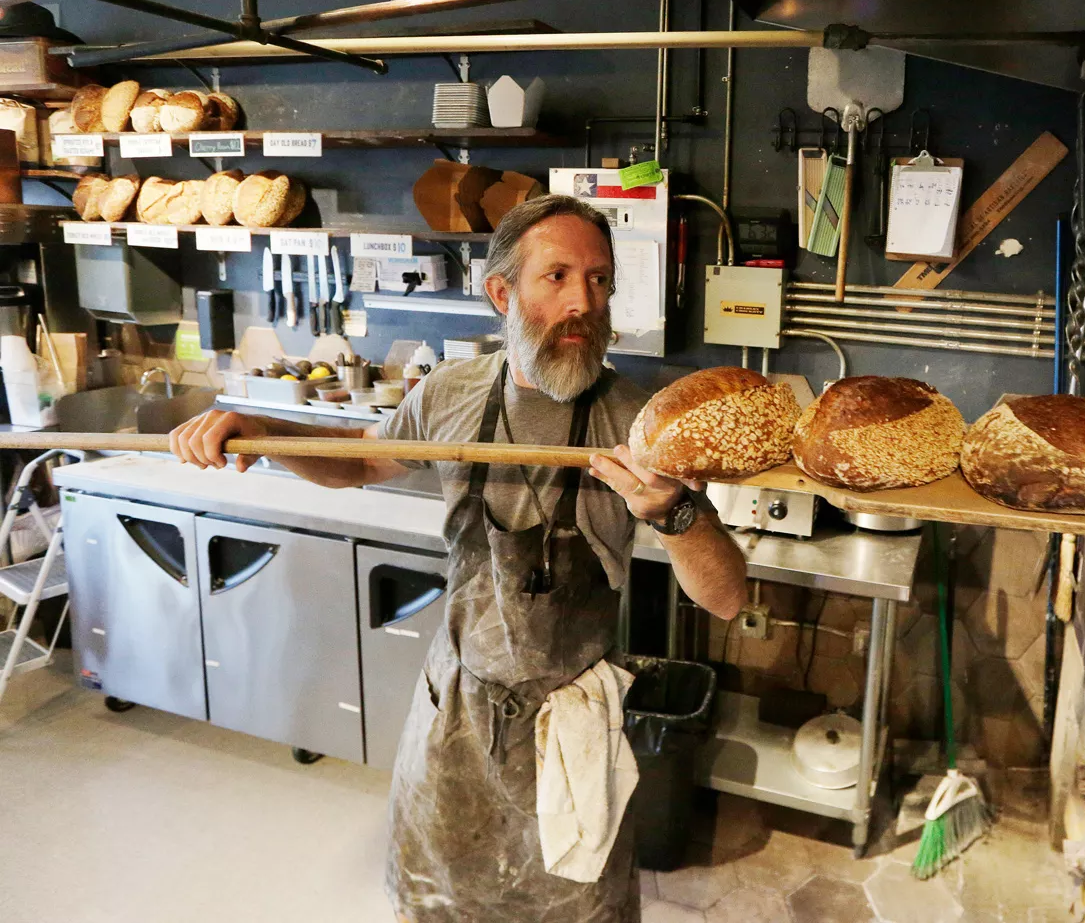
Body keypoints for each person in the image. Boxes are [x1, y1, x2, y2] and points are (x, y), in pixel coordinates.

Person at [169, 194, 748, 922]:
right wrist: (260, 429)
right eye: (558, 276)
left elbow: (726, 597)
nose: (583, 301)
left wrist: (675, 511)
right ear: (501, 293)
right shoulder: (450, 395)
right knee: (440, 903)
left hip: (570, 730)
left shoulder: (638, 423)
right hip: (454, 718)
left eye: (598, 280)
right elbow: (357, 462)